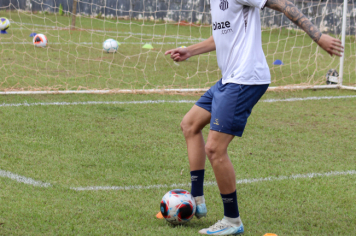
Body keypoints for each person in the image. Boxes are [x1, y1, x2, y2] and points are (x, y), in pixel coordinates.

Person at [165, 0, 343, 234]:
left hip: (246, 78)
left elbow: (283, 4)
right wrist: (191, 50)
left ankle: (232, 221)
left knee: (215, 149)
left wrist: (318, 36)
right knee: (190, 124)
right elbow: (223, 36)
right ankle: (197, 200)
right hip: (229, 78)